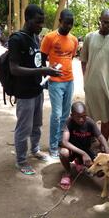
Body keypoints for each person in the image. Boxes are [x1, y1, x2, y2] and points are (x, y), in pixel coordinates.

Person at [9, 4, 61, 175]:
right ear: (28, 19)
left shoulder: (34, 37)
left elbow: (36, 62)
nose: (40, 26)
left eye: (42, 23)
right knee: (24, 128)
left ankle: (35, 150)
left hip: (37, 89)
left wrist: (47, 69)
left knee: (36, 124)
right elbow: (14, 68)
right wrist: (43, 71)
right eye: (38, 22)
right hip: (24, 93)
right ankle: (21, 160)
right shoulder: (16, 39)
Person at [81, 9, 109, 141]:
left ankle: (103, 144)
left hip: (108, 86)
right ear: (99, 19)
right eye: (103, 21)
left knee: (106, 117)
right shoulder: (89, 37)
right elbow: (83, 60)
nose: (105, 24)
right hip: (92, 86)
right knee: (90, 117)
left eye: (108, 22)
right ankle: (90, 142)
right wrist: (85, 79)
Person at [41, 9, 78, 158]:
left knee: (64, 114)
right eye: (66, 23)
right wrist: (46, 75)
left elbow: (70, 57)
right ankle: (53, 146)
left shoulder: (74, 40)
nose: (68, 26)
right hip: (55, 82)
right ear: (60, 21)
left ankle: (61, 142)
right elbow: (42, 59)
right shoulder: (49, 38)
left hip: (69, 80)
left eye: (71, 24)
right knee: (56, 115)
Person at [59, 101, 109, 190]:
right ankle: (67, 172)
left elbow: (101, 137)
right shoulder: (69, 122)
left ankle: (80, 162)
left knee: (99, 173)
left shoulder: (90, 122)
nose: (81, 119)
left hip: (86, 149)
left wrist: (107, 148)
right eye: (78, 117)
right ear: (72, 116)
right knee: (64, 152)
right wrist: (83, 153)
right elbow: (65, 142)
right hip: (73, 150)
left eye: (83, 116)